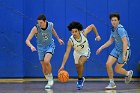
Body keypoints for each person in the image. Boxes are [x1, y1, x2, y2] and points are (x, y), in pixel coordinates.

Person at [58, 21, 101, 90]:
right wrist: (62, 65)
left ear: (79, 31)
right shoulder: (70, 41)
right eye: (72, 32)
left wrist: (97, 35)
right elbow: (67, 53)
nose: (74, 33)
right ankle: (81, 78)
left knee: (81, 62)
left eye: (75, 31)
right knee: (78, 68)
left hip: (85, 51)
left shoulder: (83, 33)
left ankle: (80, 80)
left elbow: (92, 25)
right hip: (77, 53)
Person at [25, 14, 64, 89]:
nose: (39, 24)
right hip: (40, 48)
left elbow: (53, 30)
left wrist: (58, 39)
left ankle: (50, 79)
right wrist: (31, 46)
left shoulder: (50, 25)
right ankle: (48, 77)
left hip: (50, 45)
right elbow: (27, 40)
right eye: (38, 22)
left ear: (45, 21)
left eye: (41, 23)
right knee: (44, 70)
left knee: (46, 61)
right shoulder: (35, 28)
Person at [96, 13, 133, 89]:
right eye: (112, 20)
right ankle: (112, 83)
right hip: (116, 49)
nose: (114, 22)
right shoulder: (113, 29)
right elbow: (110, 41)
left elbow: (125, 42)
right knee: (108, 64)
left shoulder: (120, 29)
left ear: (118, 21)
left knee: (117, 69)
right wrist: (101, 48)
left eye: (115, 20)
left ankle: (128, 73)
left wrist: (123, 54)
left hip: (124, 50)